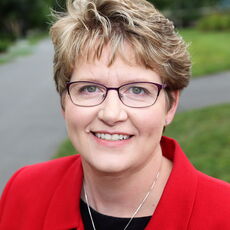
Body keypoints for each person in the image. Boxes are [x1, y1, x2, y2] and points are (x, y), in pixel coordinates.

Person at [0, 0, 229, 229]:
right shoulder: (23, 192)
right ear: (64, 102)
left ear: (170, 106)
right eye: (89, 88)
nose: (111, 114)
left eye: (137, 90)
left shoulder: (223, 213)